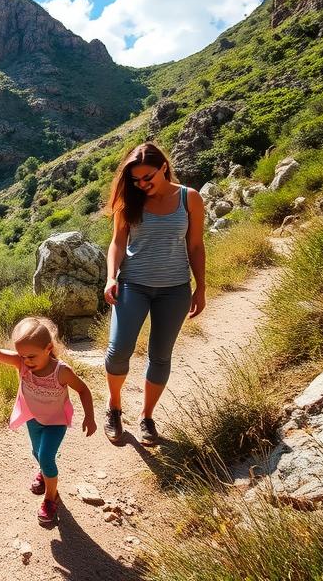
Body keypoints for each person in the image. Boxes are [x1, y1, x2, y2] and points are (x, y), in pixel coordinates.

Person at [102, 142, 206, 446]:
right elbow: (117, 243)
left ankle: (147, 416)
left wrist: (201, 287)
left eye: (148, 178)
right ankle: (114, 406)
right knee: (119, 350)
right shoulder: (129, 199)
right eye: (136, 180)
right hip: (133, 284)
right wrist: (111, 277)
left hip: (174, 289)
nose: (142, 185)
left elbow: (196, 246)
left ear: (164, 167)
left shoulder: (190, 198)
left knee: (160, 356)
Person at [0, 317, 95, 526]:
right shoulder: (21, 364)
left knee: (46, 456)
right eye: (22, 356)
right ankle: (44, 472)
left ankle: (51, 497)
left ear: (48, 348)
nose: (26, 361)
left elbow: (83, 389)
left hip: (55, 422)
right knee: (37, 453)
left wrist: (90, 417)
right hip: (34, 419)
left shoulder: (61, 371)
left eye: (31, 356)